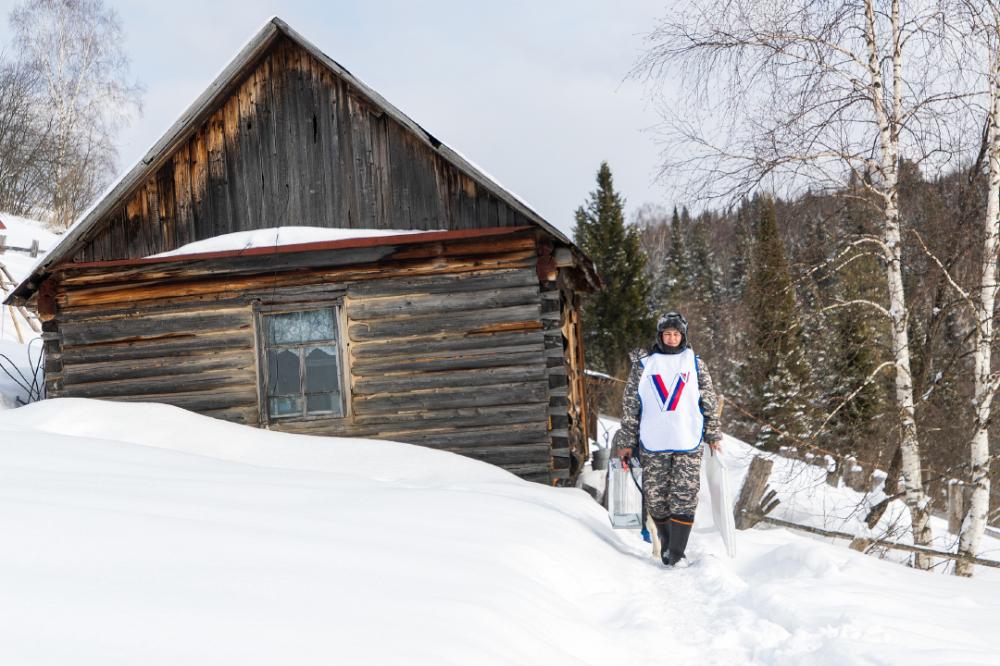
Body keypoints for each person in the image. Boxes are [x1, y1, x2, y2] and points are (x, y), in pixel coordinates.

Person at [613, 311, 722, 566]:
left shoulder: (694, 363)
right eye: (667, 334)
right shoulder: (644, 365)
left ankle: (677, 551)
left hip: (687, 440)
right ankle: (664, 540)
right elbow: (631, 405)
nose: (672, 338)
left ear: (683, 336)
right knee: (657, 497)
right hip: (654, 441)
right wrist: (626, 442)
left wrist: (713, 434)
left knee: (684, 495)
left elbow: (708, 399)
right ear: (660, 336)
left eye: (676, 334)